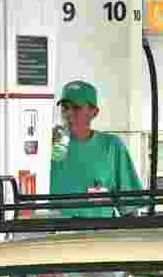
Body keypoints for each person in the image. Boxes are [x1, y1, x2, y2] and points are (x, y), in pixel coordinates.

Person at [50, 80, 143, 218]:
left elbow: (130, 208)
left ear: (94, 112)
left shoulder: (111, 146)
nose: (68, 113)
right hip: (54, 235)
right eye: (65, 107)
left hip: (98, 235)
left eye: (76, 108)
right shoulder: (47, 143)